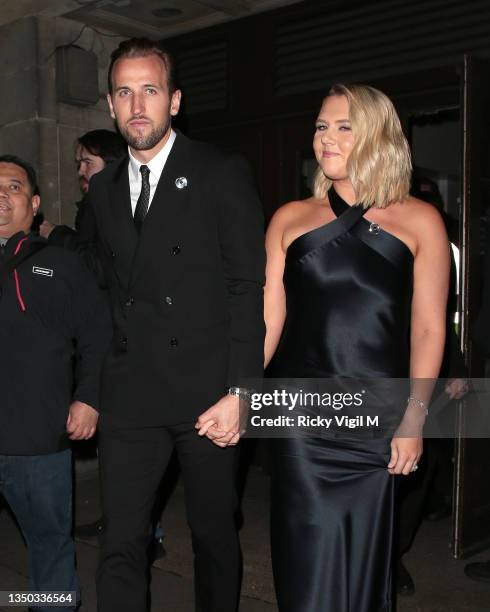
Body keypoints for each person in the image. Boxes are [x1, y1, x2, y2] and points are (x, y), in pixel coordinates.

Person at [75, 38, 265, 612]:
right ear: (110, 104)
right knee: (122, 543)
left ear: (174, 101)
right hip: (131, 394)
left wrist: (242, 392)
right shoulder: (103, 191)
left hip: (207, 396)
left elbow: (246, 288)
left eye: (150, 90)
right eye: (125, 92)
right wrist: (92, 389)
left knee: (212, 538)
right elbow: (102, 298)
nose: (137, 105)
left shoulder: (219, 171)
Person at [264, 84, 449, 611]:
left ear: (377, 135)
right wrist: (235, 391)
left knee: (366, 563)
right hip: (301, 418)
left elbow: (429, 330)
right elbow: (266, 322)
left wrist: (415, 421)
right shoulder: (289, 218)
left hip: (378, 421)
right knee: (305, 557)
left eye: (344, 126)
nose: (326, 138)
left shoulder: (420, 220)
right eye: (322, 126)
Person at [0, 155, 111, 611]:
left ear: (35, 202)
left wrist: (88, 398)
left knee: (48, 546)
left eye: (14, 187)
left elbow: (98, 333)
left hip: (36, 438)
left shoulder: (59, 263)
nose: (2, 196)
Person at [39, 129, 126, 245]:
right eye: (79, 164)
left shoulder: (121, 206)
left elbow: (95, 259)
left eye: (87, 162)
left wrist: (55, 234)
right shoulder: (99, 204)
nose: (80, 171)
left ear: (111, 165)